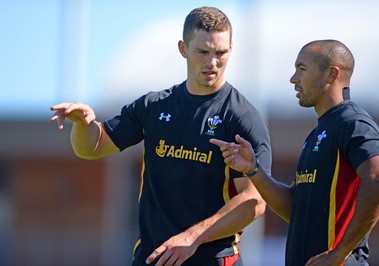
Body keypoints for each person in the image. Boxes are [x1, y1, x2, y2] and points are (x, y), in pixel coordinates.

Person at [50, 6, 272, 266]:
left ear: (231, 49)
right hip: (152, 258)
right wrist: (83, 124)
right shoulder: (154, 106)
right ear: (183, 49)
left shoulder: (243, 117)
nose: (212, 62)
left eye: (220, 53)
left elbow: (254, 202)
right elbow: (92, 147)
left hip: (212, 259)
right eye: (203, 52)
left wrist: (192, 238)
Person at [210, 39, 379, 266]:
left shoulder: (353, 122)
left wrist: (340, 252)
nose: (293, 79)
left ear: (331, 74)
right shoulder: (318, 133)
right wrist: (253, 169)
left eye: (302, 69)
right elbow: (294, 209)